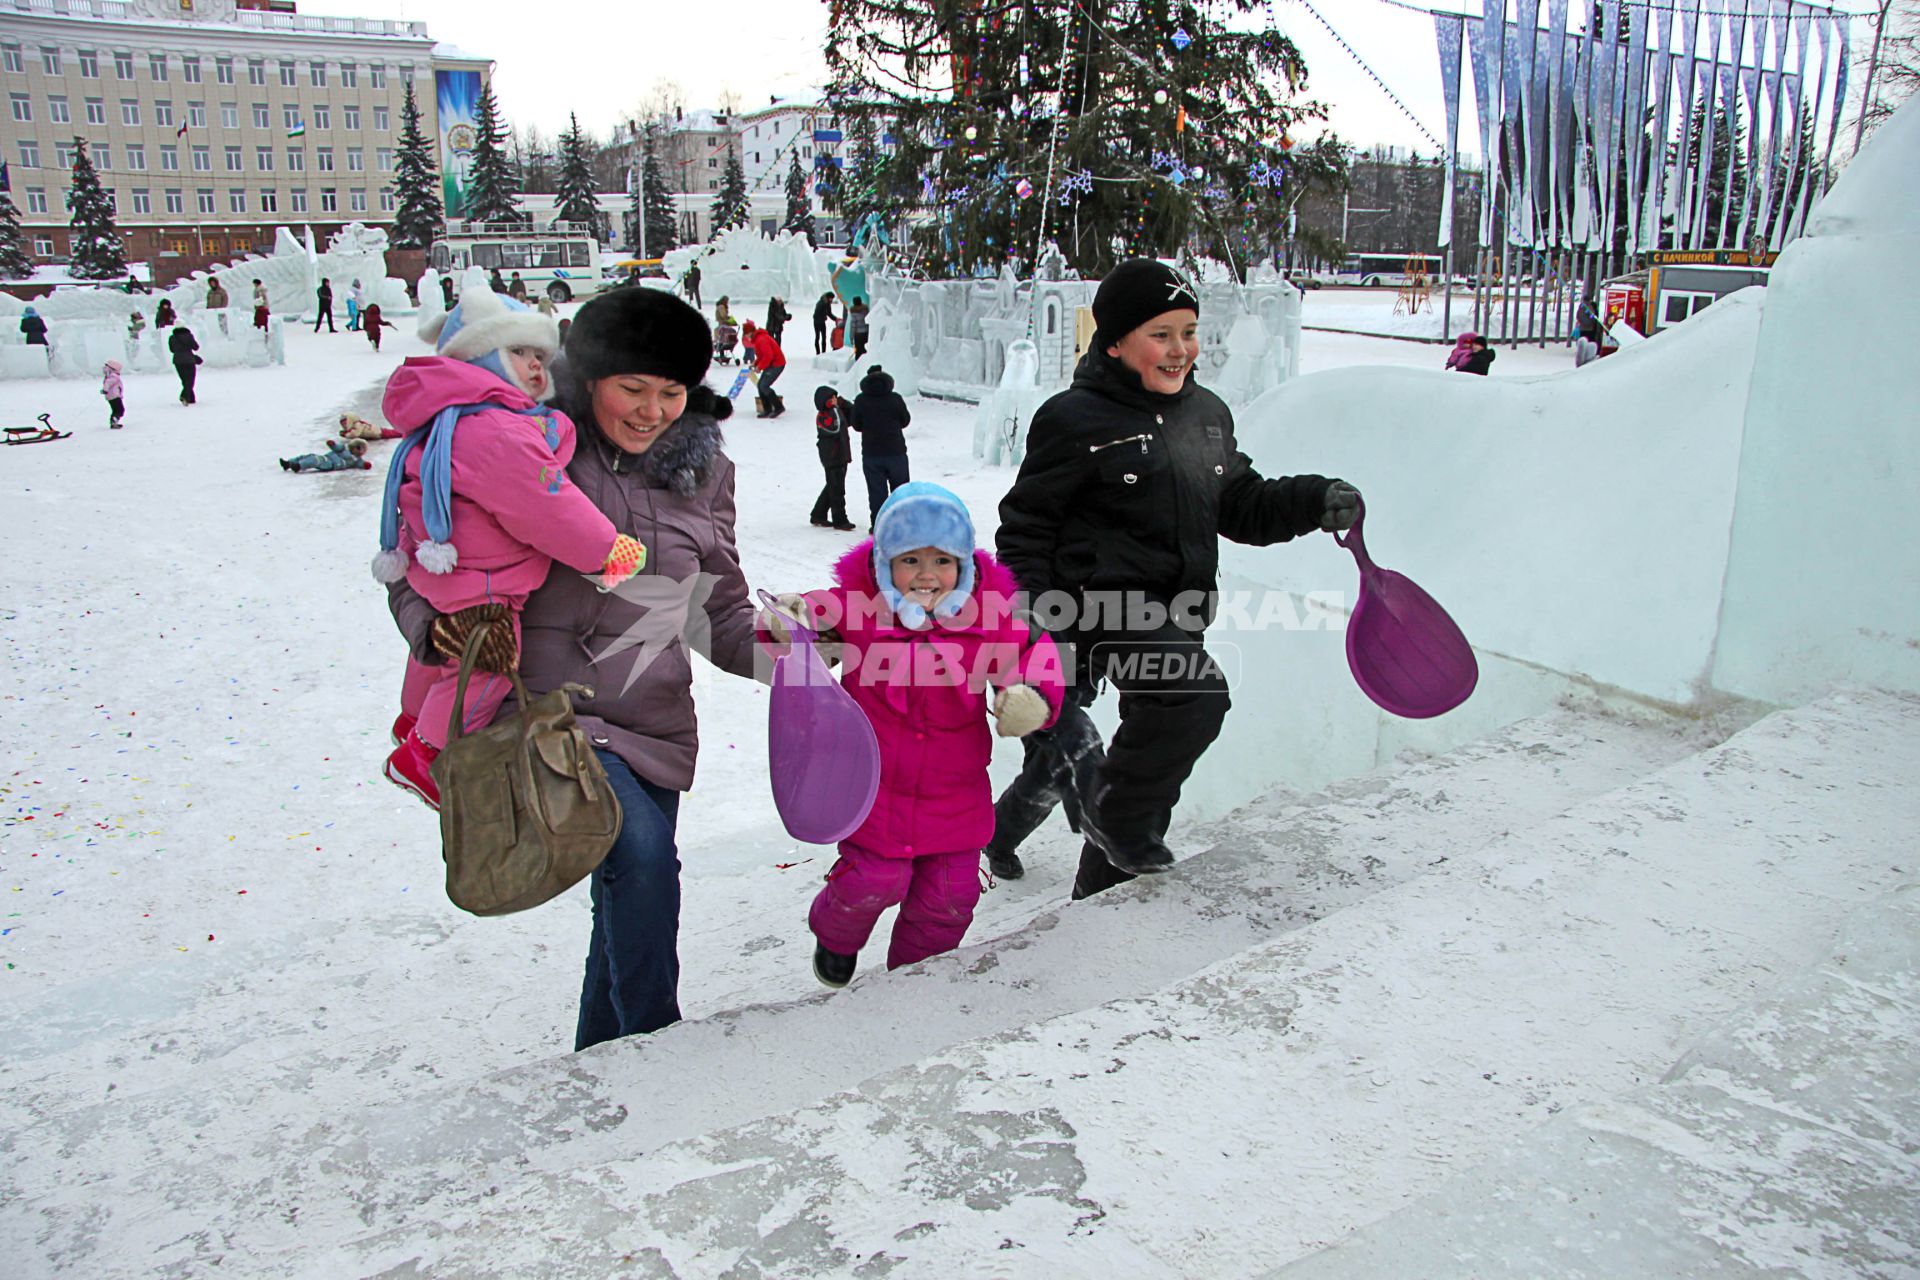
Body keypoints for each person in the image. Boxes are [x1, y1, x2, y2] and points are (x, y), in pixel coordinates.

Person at [384, 287, 759, 1049]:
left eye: (671, 392)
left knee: (629, 898)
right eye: (633, 388)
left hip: (653, 716)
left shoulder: (703, 476)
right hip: (547, 709)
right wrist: (439, 629)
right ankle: (660, 1046)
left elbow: (715, 611)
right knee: (645, 862)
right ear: (589, 378)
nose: (652, 410)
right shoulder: (522, 444)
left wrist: (803, 662)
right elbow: (419, 559)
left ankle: (602, 1059)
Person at [994, 258, 1360, 898]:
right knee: (1182, 703)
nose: (1181, 349)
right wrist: (1027, 617)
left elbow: (1241, 502)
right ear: (1114, 341)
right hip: (1093, 614)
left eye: (1188, 331)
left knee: (1146, 754)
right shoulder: (1073, 419)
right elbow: (1026, 526)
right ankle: (1098, 822)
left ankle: (1101, 887)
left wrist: (1311, 499)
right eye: (1161, 333)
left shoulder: (1207, 416)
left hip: (1177, 612)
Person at [767, 482, 1065, 987]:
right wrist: (793, 618)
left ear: (964, 565)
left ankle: (914, 983)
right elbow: (817, 611)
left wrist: (1029, 695)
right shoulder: (862, 610)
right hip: (874, 789)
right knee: (873, 880)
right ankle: (837, 935)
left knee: (950, 898)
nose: (927, 575)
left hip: (955, 792)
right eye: (910, 560)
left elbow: (1029, 654)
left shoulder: (987, 618)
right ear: (884, 564)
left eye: (942, 561)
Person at [372, 280, 648, 810]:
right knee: (488, 666)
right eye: (517, 352)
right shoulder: (499, 433)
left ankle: (414, 720)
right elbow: (549, 508)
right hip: (488, 578)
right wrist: (609, 554)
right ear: (480, 356)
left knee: (449, 656)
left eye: (540, 354)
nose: (535, 366)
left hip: (451, 572)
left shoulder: (460, 418)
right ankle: (424, 754)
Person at [851, 364, 910, 527]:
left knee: (877, 492)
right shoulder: (895, 398)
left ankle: (879, 525)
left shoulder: (861, 400)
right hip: (896, 452)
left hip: (871, 454)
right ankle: (903, 524)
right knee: (900, 491)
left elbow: (856, 425)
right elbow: (905, 420)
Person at [810, 386, 855, 530]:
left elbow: (850, 419)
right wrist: (836, 408)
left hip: (841, 454)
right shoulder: (824, 415)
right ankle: (840, 519)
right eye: (832, 398)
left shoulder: (837, 411)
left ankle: (818, 513)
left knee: (833, 486)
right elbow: (835, 428)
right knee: (837, 489)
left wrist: (845, 404)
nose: (835, 400)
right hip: (832, 456)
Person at [741, 319, 786, 418]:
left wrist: (759, 367)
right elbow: (762, 355)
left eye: (746, 334)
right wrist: (756, 363)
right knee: (760, 385)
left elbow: (768, 356)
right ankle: (767, 409)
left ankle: (778, 407)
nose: (746, 337)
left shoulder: (761, 340)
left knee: (764, 386)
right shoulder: (758, 339)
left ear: (750, 332)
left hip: (777, 364)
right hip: (772, 364)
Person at [281, 438, 371, 472]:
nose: (356, 449)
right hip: (328, 458)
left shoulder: (356, 459)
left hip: (331, 464)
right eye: (356, 447)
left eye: (359, 449)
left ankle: (299, 466)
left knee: (315, 460)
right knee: (309, 456)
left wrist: (365, 465)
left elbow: (361, 464)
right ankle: (289, 463)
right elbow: (337, 447)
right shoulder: (344, 448)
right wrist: (332, 444)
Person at [168, 324, 201, 404]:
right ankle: (184, 396)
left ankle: (191, 398)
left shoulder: (172, 337)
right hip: (189, 359)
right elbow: (196, 347)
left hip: (177, 360)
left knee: (184, 380)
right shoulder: (189, 336)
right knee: (190, 380)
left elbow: (172, 350)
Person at [101, 360, 125, 430]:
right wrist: (105, 389)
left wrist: (105, 390)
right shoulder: (114, 376)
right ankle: (114, 420)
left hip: (111, 396)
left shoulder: (109, 376)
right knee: (120, 410)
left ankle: (114, 421)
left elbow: (107, 382)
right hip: (115, 396)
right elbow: (108, 383)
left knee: (115, 410)